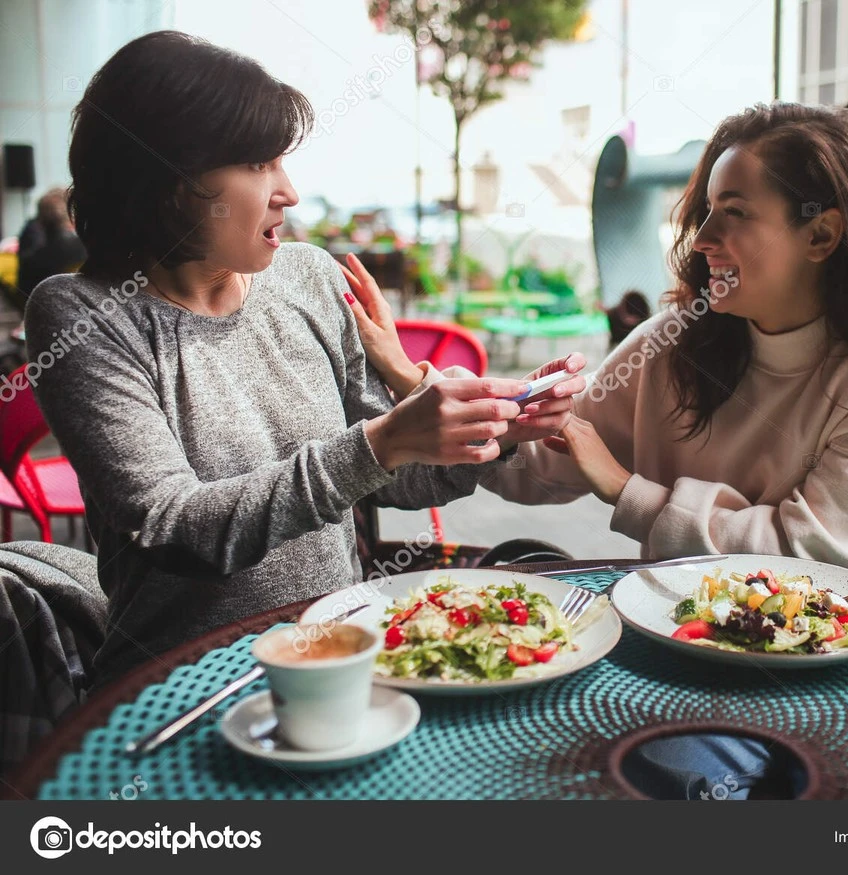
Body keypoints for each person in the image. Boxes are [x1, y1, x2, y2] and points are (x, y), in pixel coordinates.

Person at [23, 31, 583, 686]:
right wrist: (381, 442)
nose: (288, 191)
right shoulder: (82, 313)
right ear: (168, 181)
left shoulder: (309, 277)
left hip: (336, 654)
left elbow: (393, 473)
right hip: (180, 679)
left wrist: (488, 427)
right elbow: (174, 526)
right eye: (258, 165)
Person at [357, 103, 848, 586]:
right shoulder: (671, 343)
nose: (704, 236)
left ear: (822, 236)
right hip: (686, 653)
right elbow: (542, 467)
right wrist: (430, 387)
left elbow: (822, 562)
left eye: (735, 212)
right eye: (707, 209)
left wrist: (624, 488)